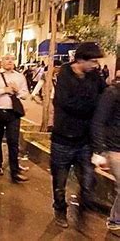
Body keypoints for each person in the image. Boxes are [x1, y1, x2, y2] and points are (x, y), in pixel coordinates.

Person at [50, 42, 106, 228]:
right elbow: (67, 103)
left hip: (84, 141)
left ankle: (83, 209)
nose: (95, 65)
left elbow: (104, 96)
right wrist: (92, 105)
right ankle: (60, 210)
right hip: (62, 140)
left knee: (88, 180)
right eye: (92, 61)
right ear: (80, 60)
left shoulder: (94, 76)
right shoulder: (64, 75)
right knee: (60, 183)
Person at [0, 55, 30, 183]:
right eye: (6, 59)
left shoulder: (20, 77)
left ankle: (15, 171)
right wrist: (3, 90)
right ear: (1, 62)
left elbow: (25, 95)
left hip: (13, 113)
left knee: (13, 142)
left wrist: (17, 91)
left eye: (12, 59)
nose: (10, 61)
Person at [91, 70, 120, 236]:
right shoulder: (112, 93)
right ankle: (115, 220)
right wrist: (100, 150)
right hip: (114, 148)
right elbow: (99, 121)